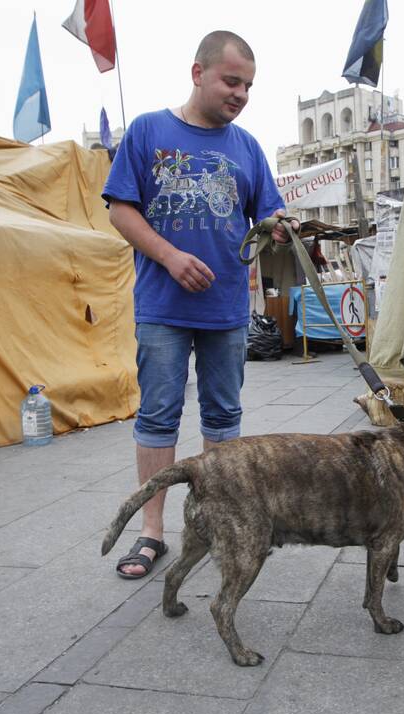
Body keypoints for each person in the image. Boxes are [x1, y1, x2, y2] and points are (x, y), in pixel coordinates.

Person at [102, 30, 294, 579]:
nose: (240, 94)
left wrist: (282, 228)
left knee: (224, 416)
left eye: (248, 86)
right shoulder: (148, 131)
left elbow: (268, 215)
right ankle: (151, 532)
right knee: (159, 414)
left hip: (226, 308)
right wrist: (169, 255)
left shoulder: (248, 147)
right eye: (232, 81)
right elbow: (120, 211)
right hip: (162, 305)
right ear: (198, 73)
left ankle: (221, 525)